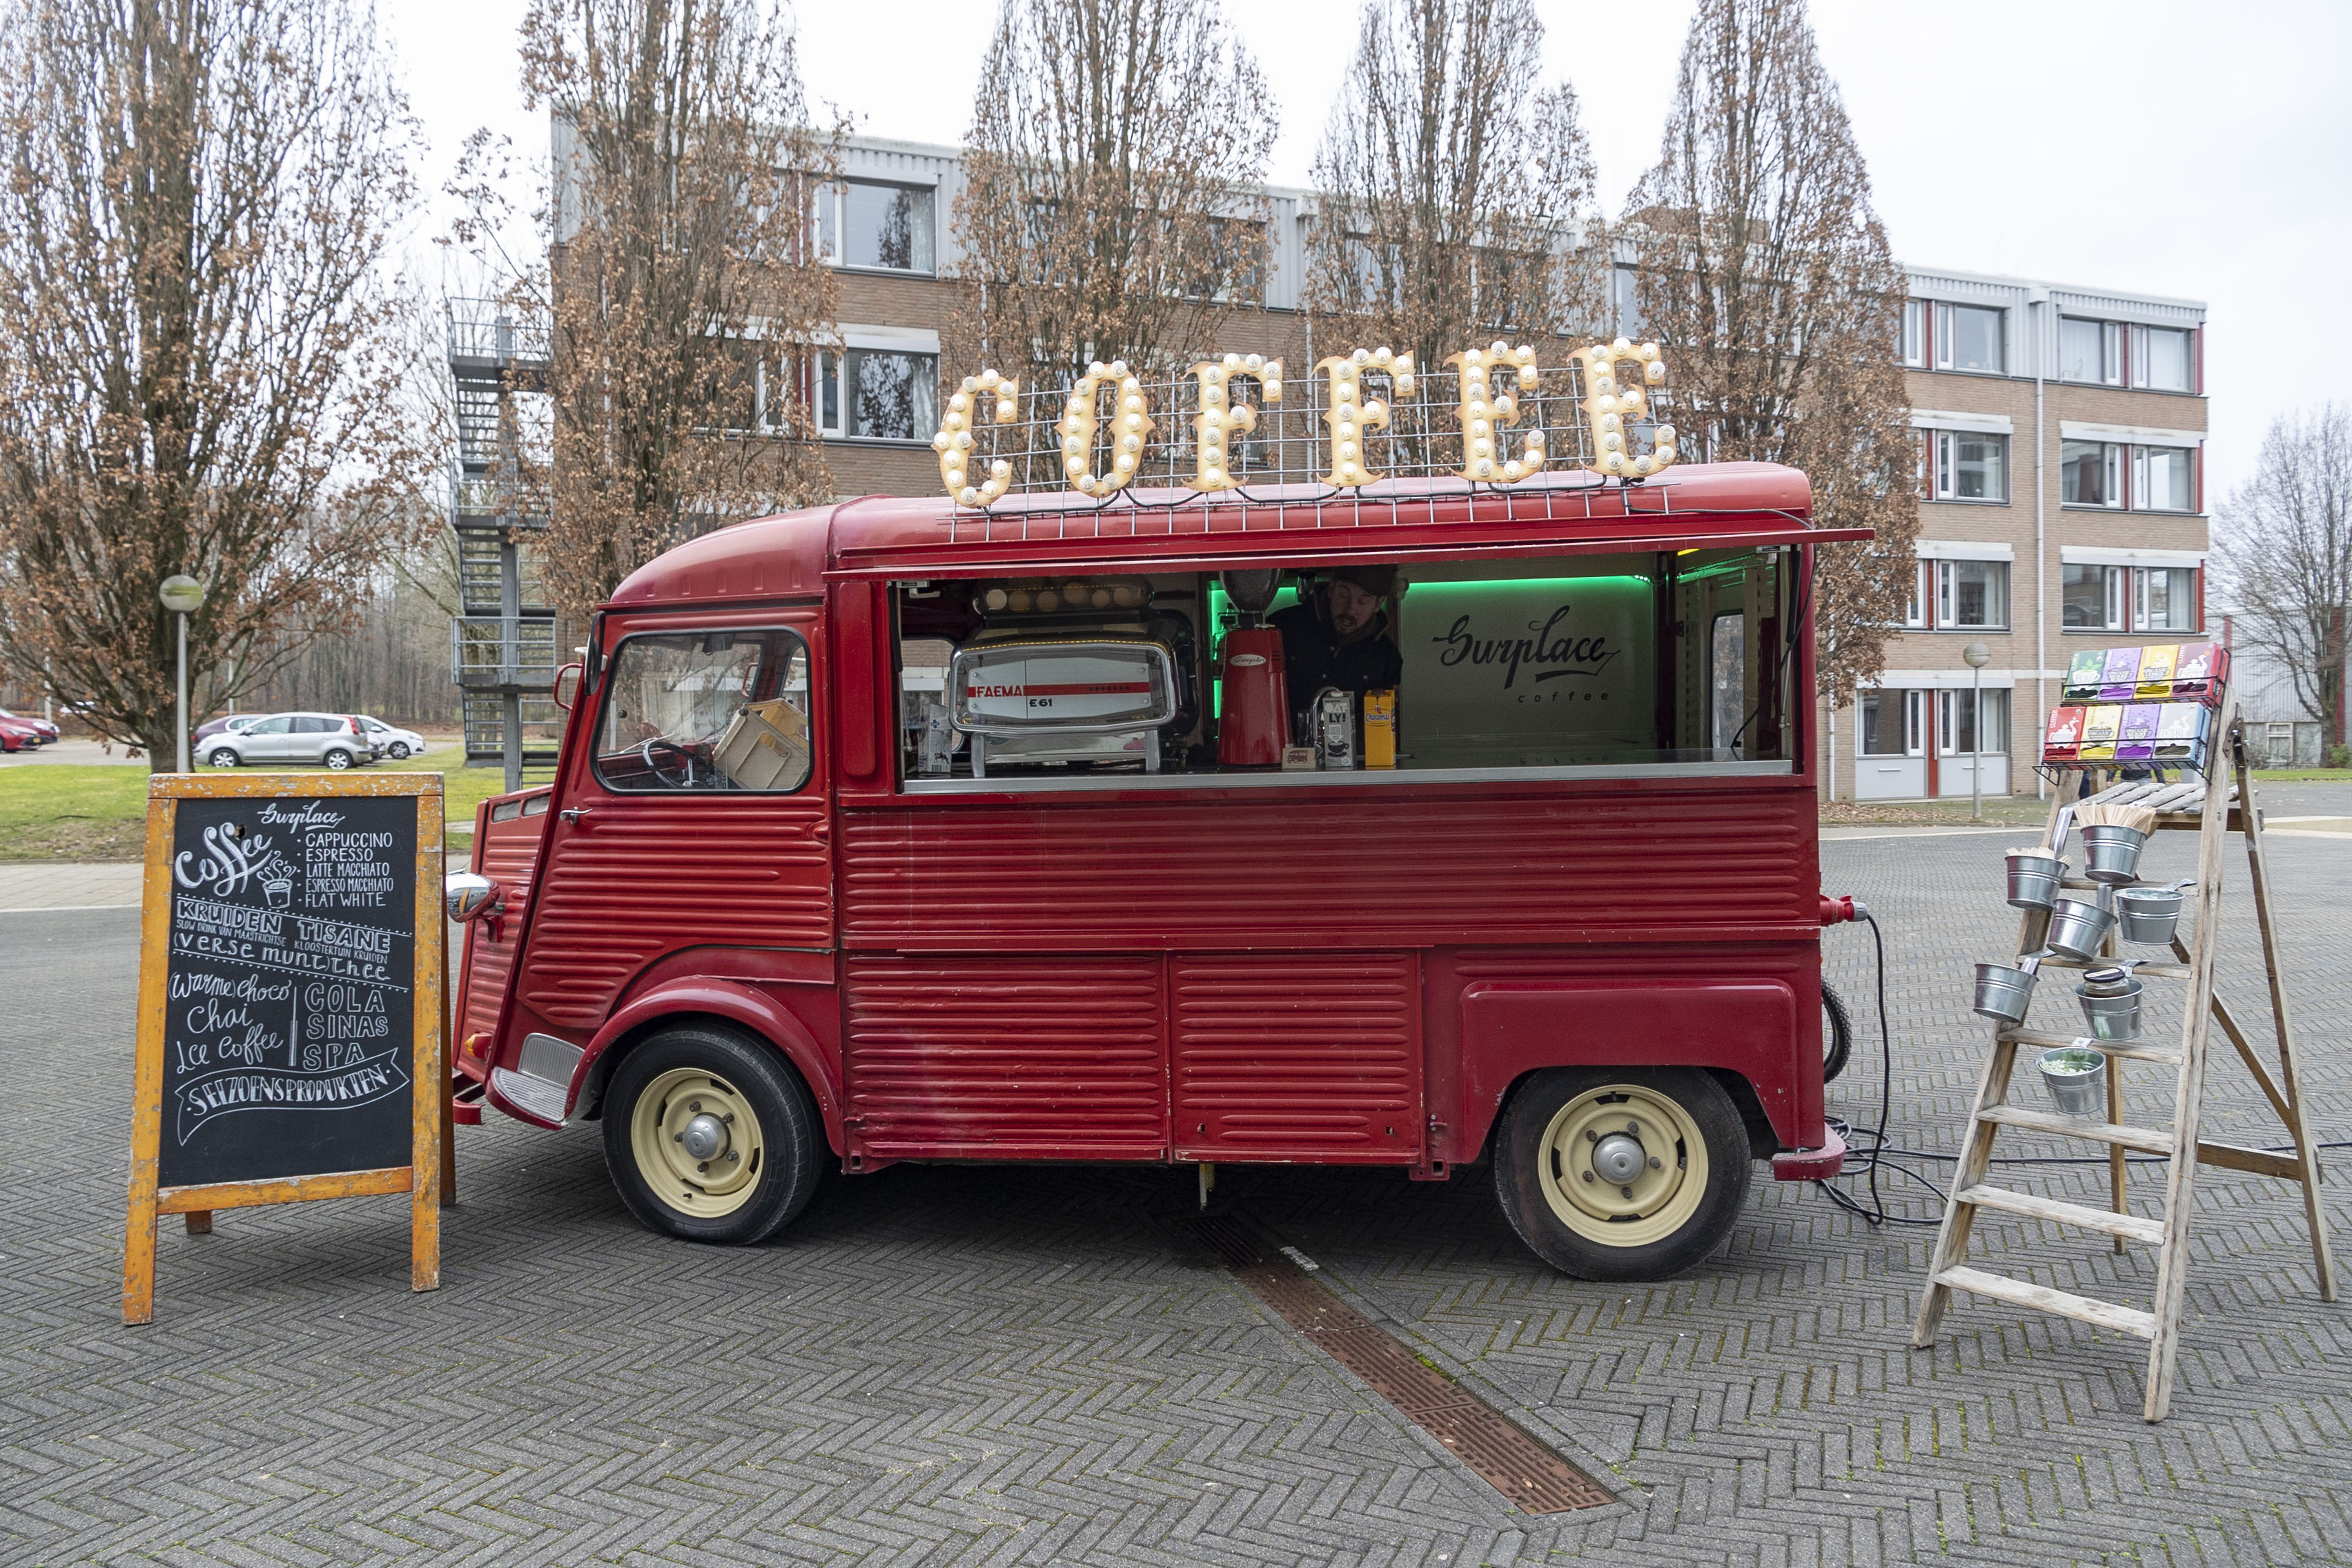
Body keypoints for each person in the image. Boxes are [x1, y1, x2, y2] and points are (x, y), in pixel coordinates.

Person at [1271, 565, 1402, 735]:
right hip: (1280, 749)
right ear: (1331, 588)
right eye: (1343, 596)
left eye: (1363, 602)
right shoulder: (1283, 627)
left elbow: (1383, 728)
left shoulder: (1387, 655)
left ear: (1378, 603)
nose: (1350, 609)